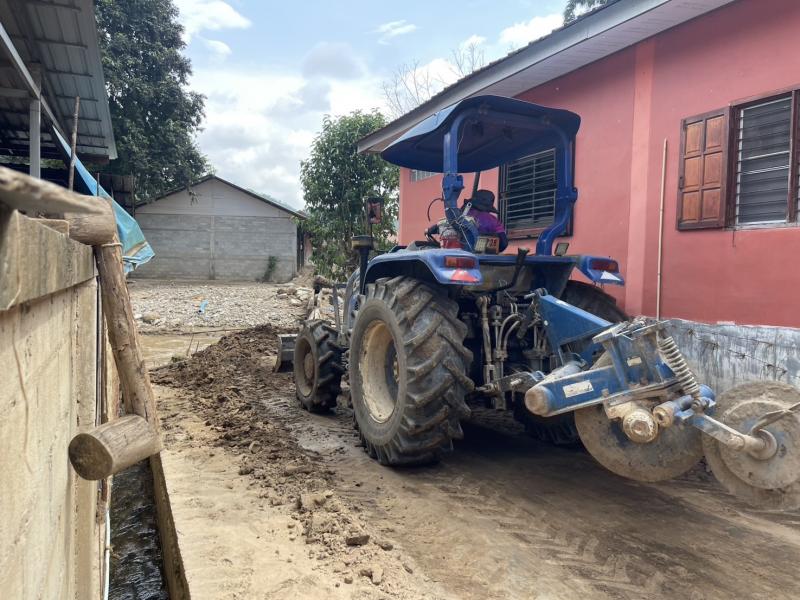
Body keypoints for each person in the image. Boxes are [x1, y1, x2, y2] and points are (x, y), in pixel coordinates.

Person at [426, 189, 508, 252]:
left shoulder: (460, 215)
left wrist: (429, 230)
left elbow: (444, 224)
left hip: (458, 254)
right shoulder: (493, 220)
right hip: (485, 258)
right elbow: (503, 243)